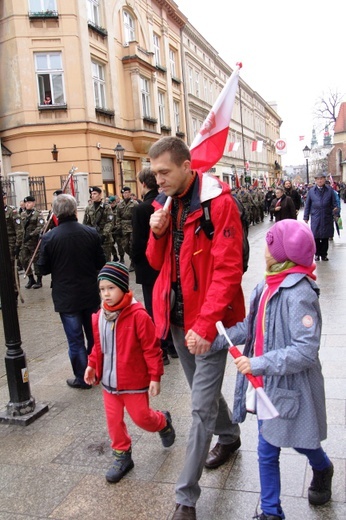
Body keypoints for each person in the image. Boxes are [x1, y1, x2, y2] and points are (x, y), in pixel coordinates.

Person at [201, 219, 333, 520]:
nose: (265, 250)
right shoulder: (266, 284)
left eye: (271, 244)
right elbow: (251, 327)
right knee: (267, 449)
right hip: (266, 386)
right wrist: (215, 339)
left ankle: (322, 467)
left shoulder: (300, 293)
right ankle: (272, 512)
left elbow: (306, 351)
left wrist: (258, 363)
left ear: (285, 252)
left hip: (293, 385)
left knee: (303, 441)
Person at [146, 136, 245, 519]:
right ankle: (231, 436)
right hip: (176, 320)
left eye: (164, 172)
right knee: (201, 393)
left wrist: (205, 326)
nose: (158, 181)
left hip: (211, 324)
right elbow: (157, 264)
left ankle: (185, 499)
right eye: (155, 174)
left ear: (187, 166)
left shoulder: (218, 204)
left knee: (199, 408)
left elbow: (227, 270)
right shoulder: (165, 203)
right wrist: (157, 232)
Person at [84, 262, 176, 483]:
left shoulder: (138, 316)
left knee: (142, 418)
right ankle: (122, 455)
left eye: (111, 288)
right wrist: (92, 365)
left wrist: (155, 377)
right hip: (108, 382)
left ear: (123, 288)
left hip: (133, 382)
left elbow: (151, 349)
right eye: (102, 289)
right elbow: (98, 346)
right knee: (113, 421)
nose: (106, 294)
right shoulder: (99, 317)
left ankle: (162, 422)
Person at [37, 194, 106, 389]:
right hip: (89, 292)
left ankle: (82, 377)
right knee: (93, 336)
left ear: (56, 214)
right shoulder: (90, 232)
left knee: (75, 339)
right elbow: (100, 262)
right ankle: (96, 371)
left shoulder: (50, 237)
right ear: (75, 211)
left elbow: (43, 269)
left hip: (66, 297)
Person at [131, 167, 178, 365]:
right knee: (169, 302)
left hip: (148, 264)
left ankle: (161, 350)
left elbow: (137, 241)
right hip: (167, 262)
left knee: (152, 307)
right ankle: (174, 346)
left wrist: (134, 259)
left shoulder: (141, 208)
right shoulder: (168, 203)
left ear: (143, 184)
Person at [303, 172, 337, 261]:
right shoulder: (311, 191)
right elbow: (308, 205)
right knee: (316, 236)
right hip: (316, 216)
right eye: (318, 179)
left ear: (324, 180)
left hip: (326, 216)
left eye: (321, 179)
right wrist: (306, 216)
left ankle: (324, 254)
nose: (320, 180)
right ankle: (317, 254)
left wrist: (335, 211)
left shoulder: (329, 190)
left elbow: (334, 203)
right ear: (315, 181)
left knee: (326, 236)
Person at [19, 195, 45, 289]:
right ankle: (31, 278)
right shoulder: (22, 215)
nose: (27, 204)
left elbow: (41, 226)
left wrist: (31, 235)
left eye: (29, 202)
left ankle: (39, 280)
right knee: (23, 259)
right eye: (26, 203)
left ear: (33, 203)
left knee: (36, 261)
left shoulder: (38, 214)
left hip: (34, 242)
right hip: (25, 242)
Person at [83, 186, 114, 262]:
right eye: (91, 194)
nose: (92, 195)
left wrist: (104, 235)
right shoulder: (88, 208)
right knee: (95, 260)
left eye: (94, 194)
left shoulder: (106, 207)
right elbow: (86, 223)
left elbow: (110, 222)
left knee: (106, 261)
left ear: (100, 195)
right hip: (93, 237)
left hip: (105, 239)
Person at [3, 191, 22, 303]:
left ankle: (14, 293)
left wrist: (17, 245)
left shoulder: (12, 212)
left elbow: (19, 230)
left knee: (11, 269)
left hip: (10, 242)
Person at [115, 186, 138, 271]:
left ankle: (133, 262)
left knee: (132, 245)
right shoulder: (120, 205)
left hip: (132, 226)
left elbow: (137, 216)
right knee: (124, 246)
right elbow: (117, 217)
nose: (125, 194)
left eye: (127, 192)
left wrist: (136, 226)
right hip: (123, 227)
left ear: (130, 193)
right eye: (124, 193)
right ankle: (133, 257)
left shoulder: (135, 203)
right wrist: (118, 227)